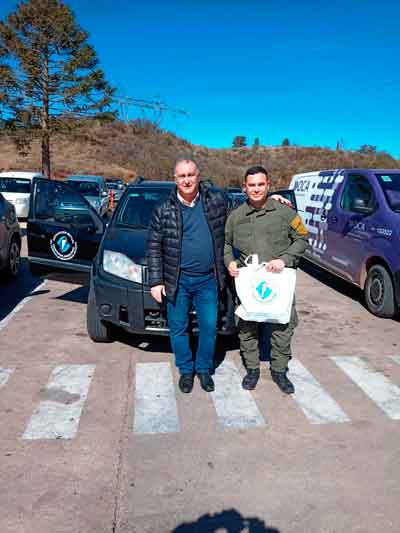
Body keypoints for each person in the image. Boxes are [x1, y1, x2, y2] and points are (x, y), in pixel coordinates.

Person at [224, 165, 308, 394]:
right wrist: (229, 261)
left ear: (268, 185)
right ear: (244, 187)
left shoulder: (285, 212)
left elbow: (301, 238)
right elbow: (227, 245)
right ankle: (252, 369)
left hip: (279, 281)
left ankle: (279, 370)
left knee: (283, 325)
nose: (256, 189)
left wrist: (286, 259)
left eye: (261, 184)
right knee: (247, 326)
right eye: (252, 185)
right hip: (249, 284)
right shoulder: (236, 217)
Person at [147, 158, 227, 393]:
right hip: (177, 280)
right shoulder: (163, 210)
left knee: (209, 326)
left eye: (190, 175)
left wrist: (271, 200)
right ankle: (186, 370)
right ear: (175, 179)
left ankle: (203, 369)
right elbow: (153, 246)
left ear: (198, 176)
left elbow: (242, 214)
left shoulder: (216, 202)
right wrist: (156, 280)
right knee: (178, 328)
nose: (187, 180)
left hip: (208, 280)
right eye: (182, 176)